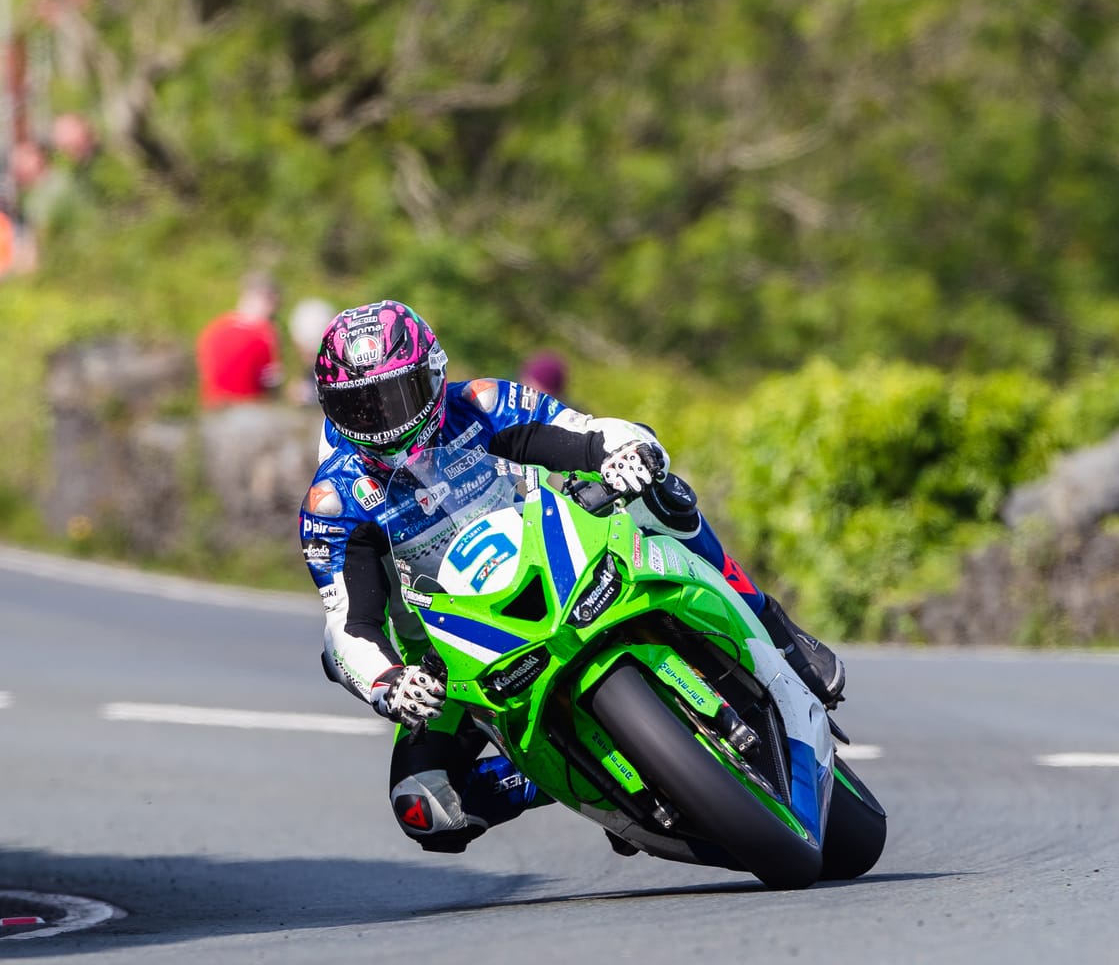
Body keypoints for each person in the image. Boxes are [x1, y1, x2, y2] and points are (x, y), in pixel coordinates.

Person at [300, 300, 845, 854]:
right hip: (459, 658)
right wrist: (387, 680)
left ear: (434, 375)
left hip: (560, 557)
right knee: (423, 806)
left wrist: (624, 451)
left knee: (655, 489)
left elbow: (585, 431)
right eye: (361, 406)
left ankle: (775, 628)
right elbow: (347, 626)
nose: (385, 420)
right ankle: (582, 779)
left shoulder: (481, 404)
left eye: (399, 395)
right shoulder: (335, 499)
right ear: (331, 408)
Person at [196, 273, 284, 408]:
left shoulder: (213, 329)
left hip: (213, 408)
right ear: (268, 299)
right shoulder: (264, 333)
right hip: (249, 409)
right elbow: (271, 381)